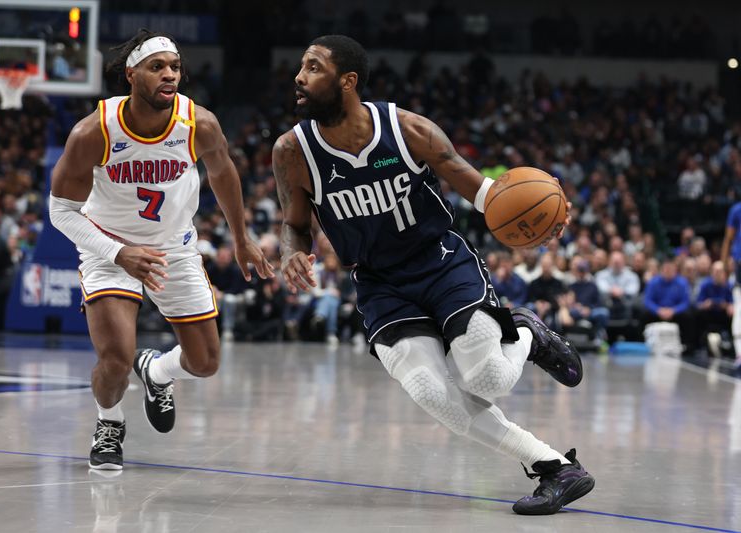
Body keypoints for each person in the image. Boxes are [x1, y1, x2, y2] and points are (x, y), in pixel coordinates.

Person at [272, 34, 593, 515]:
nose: (299, 77)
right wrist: (291, 252)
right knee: (428, 390)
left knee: (486, 378)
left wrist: (540, 216)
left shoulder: (407, 130)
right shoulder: (291, 151)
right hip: (379, 283)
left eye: (313, 68)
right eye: (301, 67)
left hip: (440, 262)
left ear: (348, 81)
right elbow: (294, 226)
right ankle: (554, 467)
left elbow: (485, 193)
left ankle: (525, 332)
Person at [49, 29, 273, 470]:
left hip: (173, 247)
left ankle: (156, 372)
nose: (170, 75)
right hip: (108, 249)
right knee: (114, 360)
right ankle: (109, 423)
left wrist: (242, 239)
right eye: (157, 67)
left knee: (206, 362)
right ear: (131, 75)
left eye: (174, 67)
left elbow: (223, 174)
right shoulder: (93, 132)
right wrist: (117, 253)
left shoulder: (199, 123)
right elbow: (61, 212)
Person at [720, 201, 741, 372]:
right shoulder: (737, 209)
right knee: (740, 307)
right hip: (740, 262)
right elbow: (728, 238)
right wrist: (724, 263)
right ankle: (740, 353)